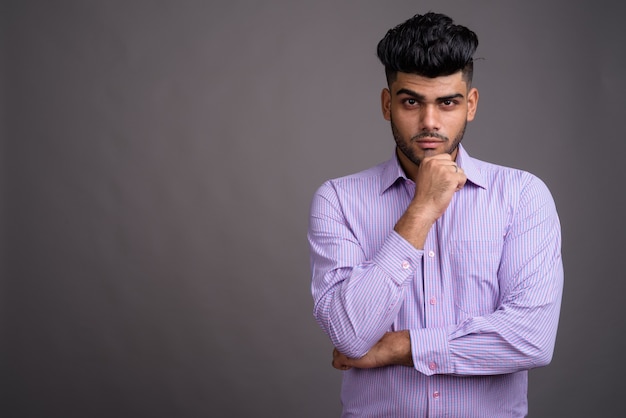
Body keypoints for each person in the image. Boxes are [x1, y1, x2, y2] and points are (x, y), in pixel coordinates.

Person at [307, 12, 563, 417]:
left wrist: (398, 347)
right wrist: (422, 208)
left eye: (447, 103)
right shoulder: (339, 200)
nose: (430, 123)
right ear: (387, 104)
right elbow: (350, 335)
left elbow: (530, 338)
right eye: (411, 102)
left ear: (471, 105)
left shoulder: (522, 196)